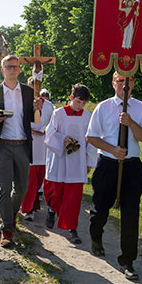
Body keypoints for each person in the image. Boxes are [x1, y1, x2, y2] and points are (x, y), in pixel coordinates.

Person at [86, 72, 142, 280]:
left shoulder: (141, 108)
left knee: (131, 214)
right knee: (100, 210)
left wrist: (131, 123)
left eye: (129, 80)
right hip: (107, 165)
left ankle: (127, 261)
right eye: (121, 81)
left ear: (133, 84)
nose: (125, 85)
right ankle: (96, 237)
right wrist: (112, 149)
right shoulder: (103, 107)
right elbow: (92, 136)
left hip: (131, 167)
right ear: (113, 83)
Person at [0, 54, 42, 248]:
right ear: (2, 69)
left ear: (20, 70)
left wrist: (37, 108)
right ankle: (6, 229)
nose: (12, 70)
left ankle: (10, 215)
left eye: (15, 67)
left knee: (22, 188)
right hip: (4, 145)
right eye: (8, 67)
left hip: (23, 144)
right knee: (4, 188)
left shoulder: (27, 91)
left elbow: (33, 118)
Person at [43, 84, 96, 244]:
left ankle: (72, 229)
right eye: (79, 101)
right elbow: (49, 134)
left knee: (73, 197)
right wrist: (63, 138)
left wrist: (89, 161)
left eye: (84, 103)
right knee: (55, 193)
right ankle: (52, 210)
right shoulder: (58, 113)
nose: (80, 105)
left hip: (77, 161)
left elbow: (91, 140)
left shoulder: (87, 116)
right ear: (72, 97)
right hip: (59, 158)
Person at [20, 77, 53, 221]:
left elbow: (53, 123)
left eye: (37, 86)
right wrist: (30, 129)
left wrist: (45, 130)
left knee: (39, 179)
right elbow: (20, 120)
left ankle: (34, 203)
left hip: (44, 145)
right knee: (30, 179)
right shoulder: (23, 102)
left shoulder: (49, 106)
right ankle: (28, 208)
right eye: (32, 86)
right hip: (30, 144)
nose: (35, 89)